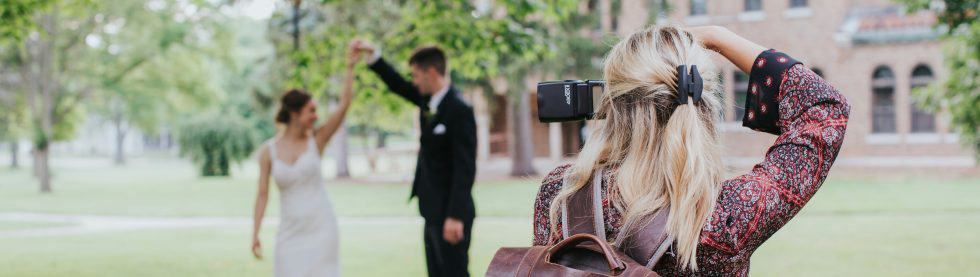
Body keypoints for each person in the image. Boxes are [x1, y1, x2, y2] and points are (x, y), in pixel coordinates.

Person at [531, 25, 850, 276]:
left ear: (610, 106)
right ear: (704, 106)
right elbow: (823, 108)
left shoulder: (561, 194)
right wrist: (717, 37)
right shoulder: (723, 215)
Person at [352, 40, 477, 276]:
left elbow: (465, 167)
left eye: (416, 75)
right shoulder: (427, 101)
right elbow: (398, 85)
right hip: (430, 209)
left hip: (451, 214)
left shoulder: (459, 109)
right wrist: (373, 57)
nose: (414, 81)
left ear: (431, 72)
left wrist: (455, 216)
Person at [250, 41, 360, 277]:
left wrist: (350, 68)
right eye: (311, 110)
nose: (315, 116)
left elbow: (344, 105)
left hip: (322, 228)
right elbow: (262, 194)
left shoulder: (317, 140)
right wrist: (255, 233)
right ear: (294, 113)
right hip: (290, 233)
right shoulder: (268, 151)